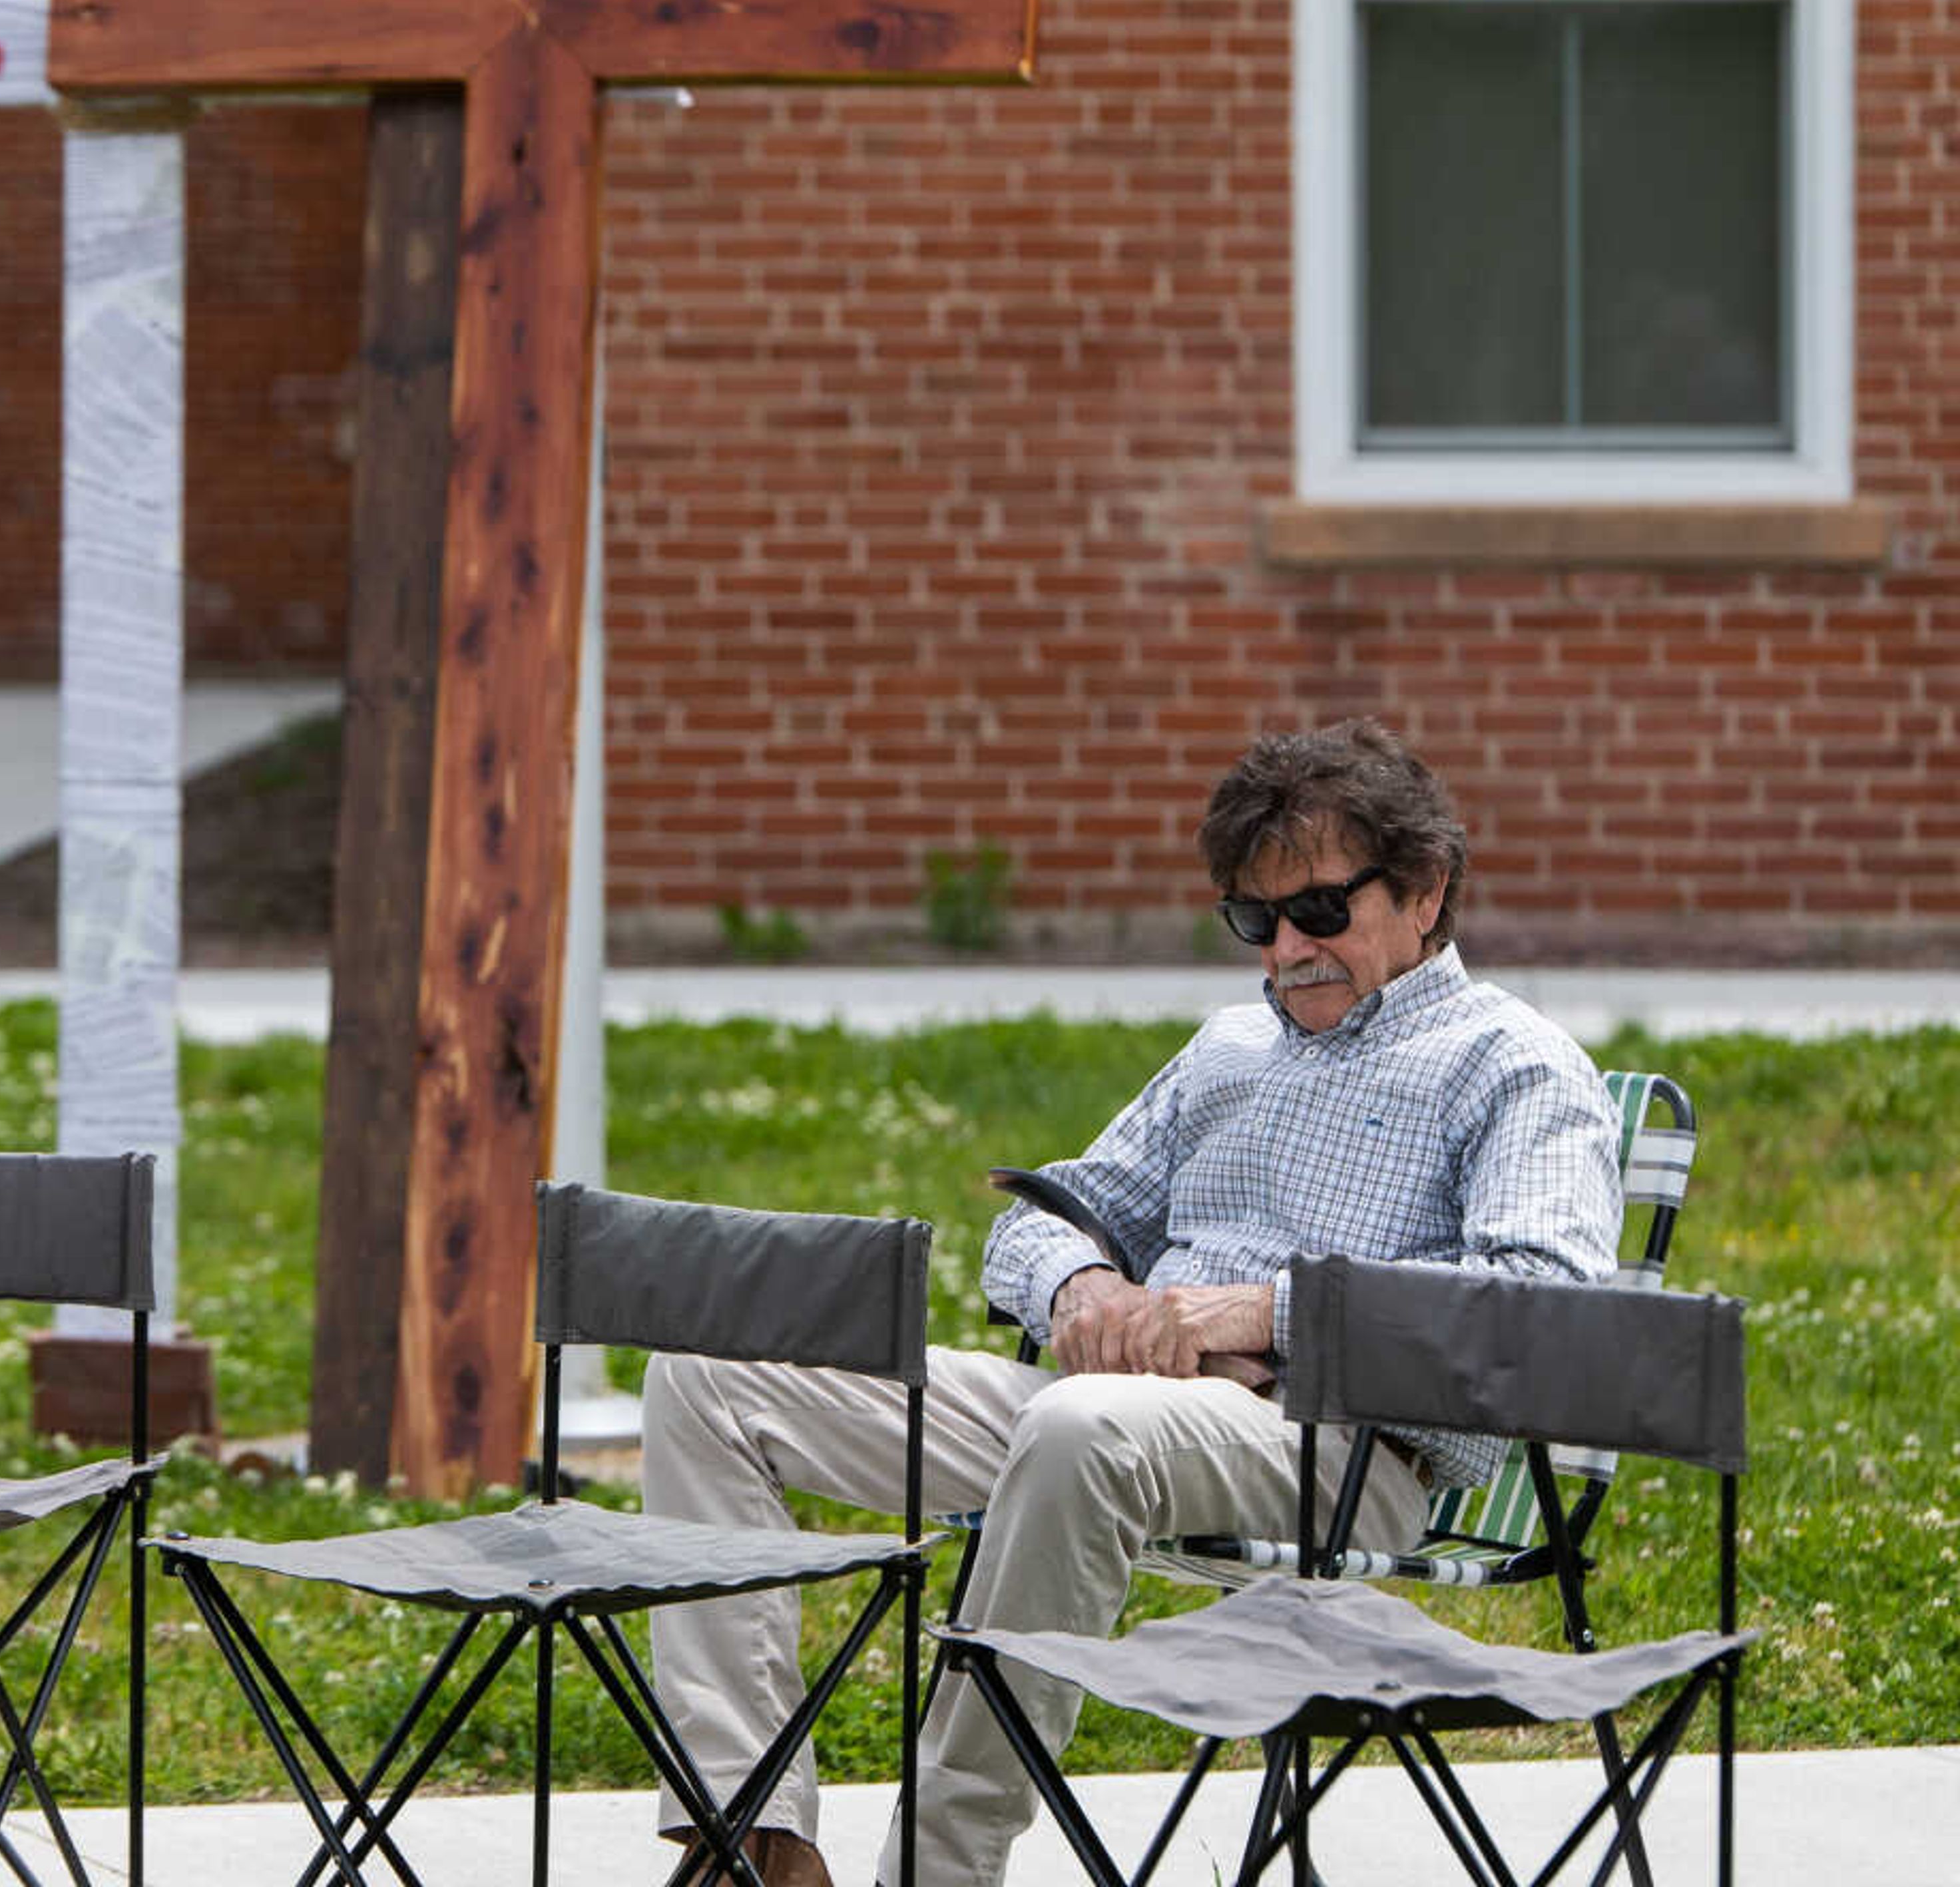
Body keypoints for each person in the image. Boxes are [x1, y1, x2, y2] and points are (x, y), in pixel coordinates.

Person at [642, 718, 1624, 1887]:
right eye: (1255, 922)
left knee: (1078, 1431)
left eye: (1318, 911)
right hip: (1114, 1405)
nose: (1287, 952)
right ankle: (752, 1841)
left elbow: (1535, 1314)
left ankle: (942, 1872)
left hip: (1341, 1453)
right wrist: (1085, 1280)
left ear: (1425, 891)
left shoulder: (1513, 1065)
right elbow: (1039, 1215)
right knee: (708, 1378)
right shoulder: (1226, 1052)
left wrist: (1254, 1313)